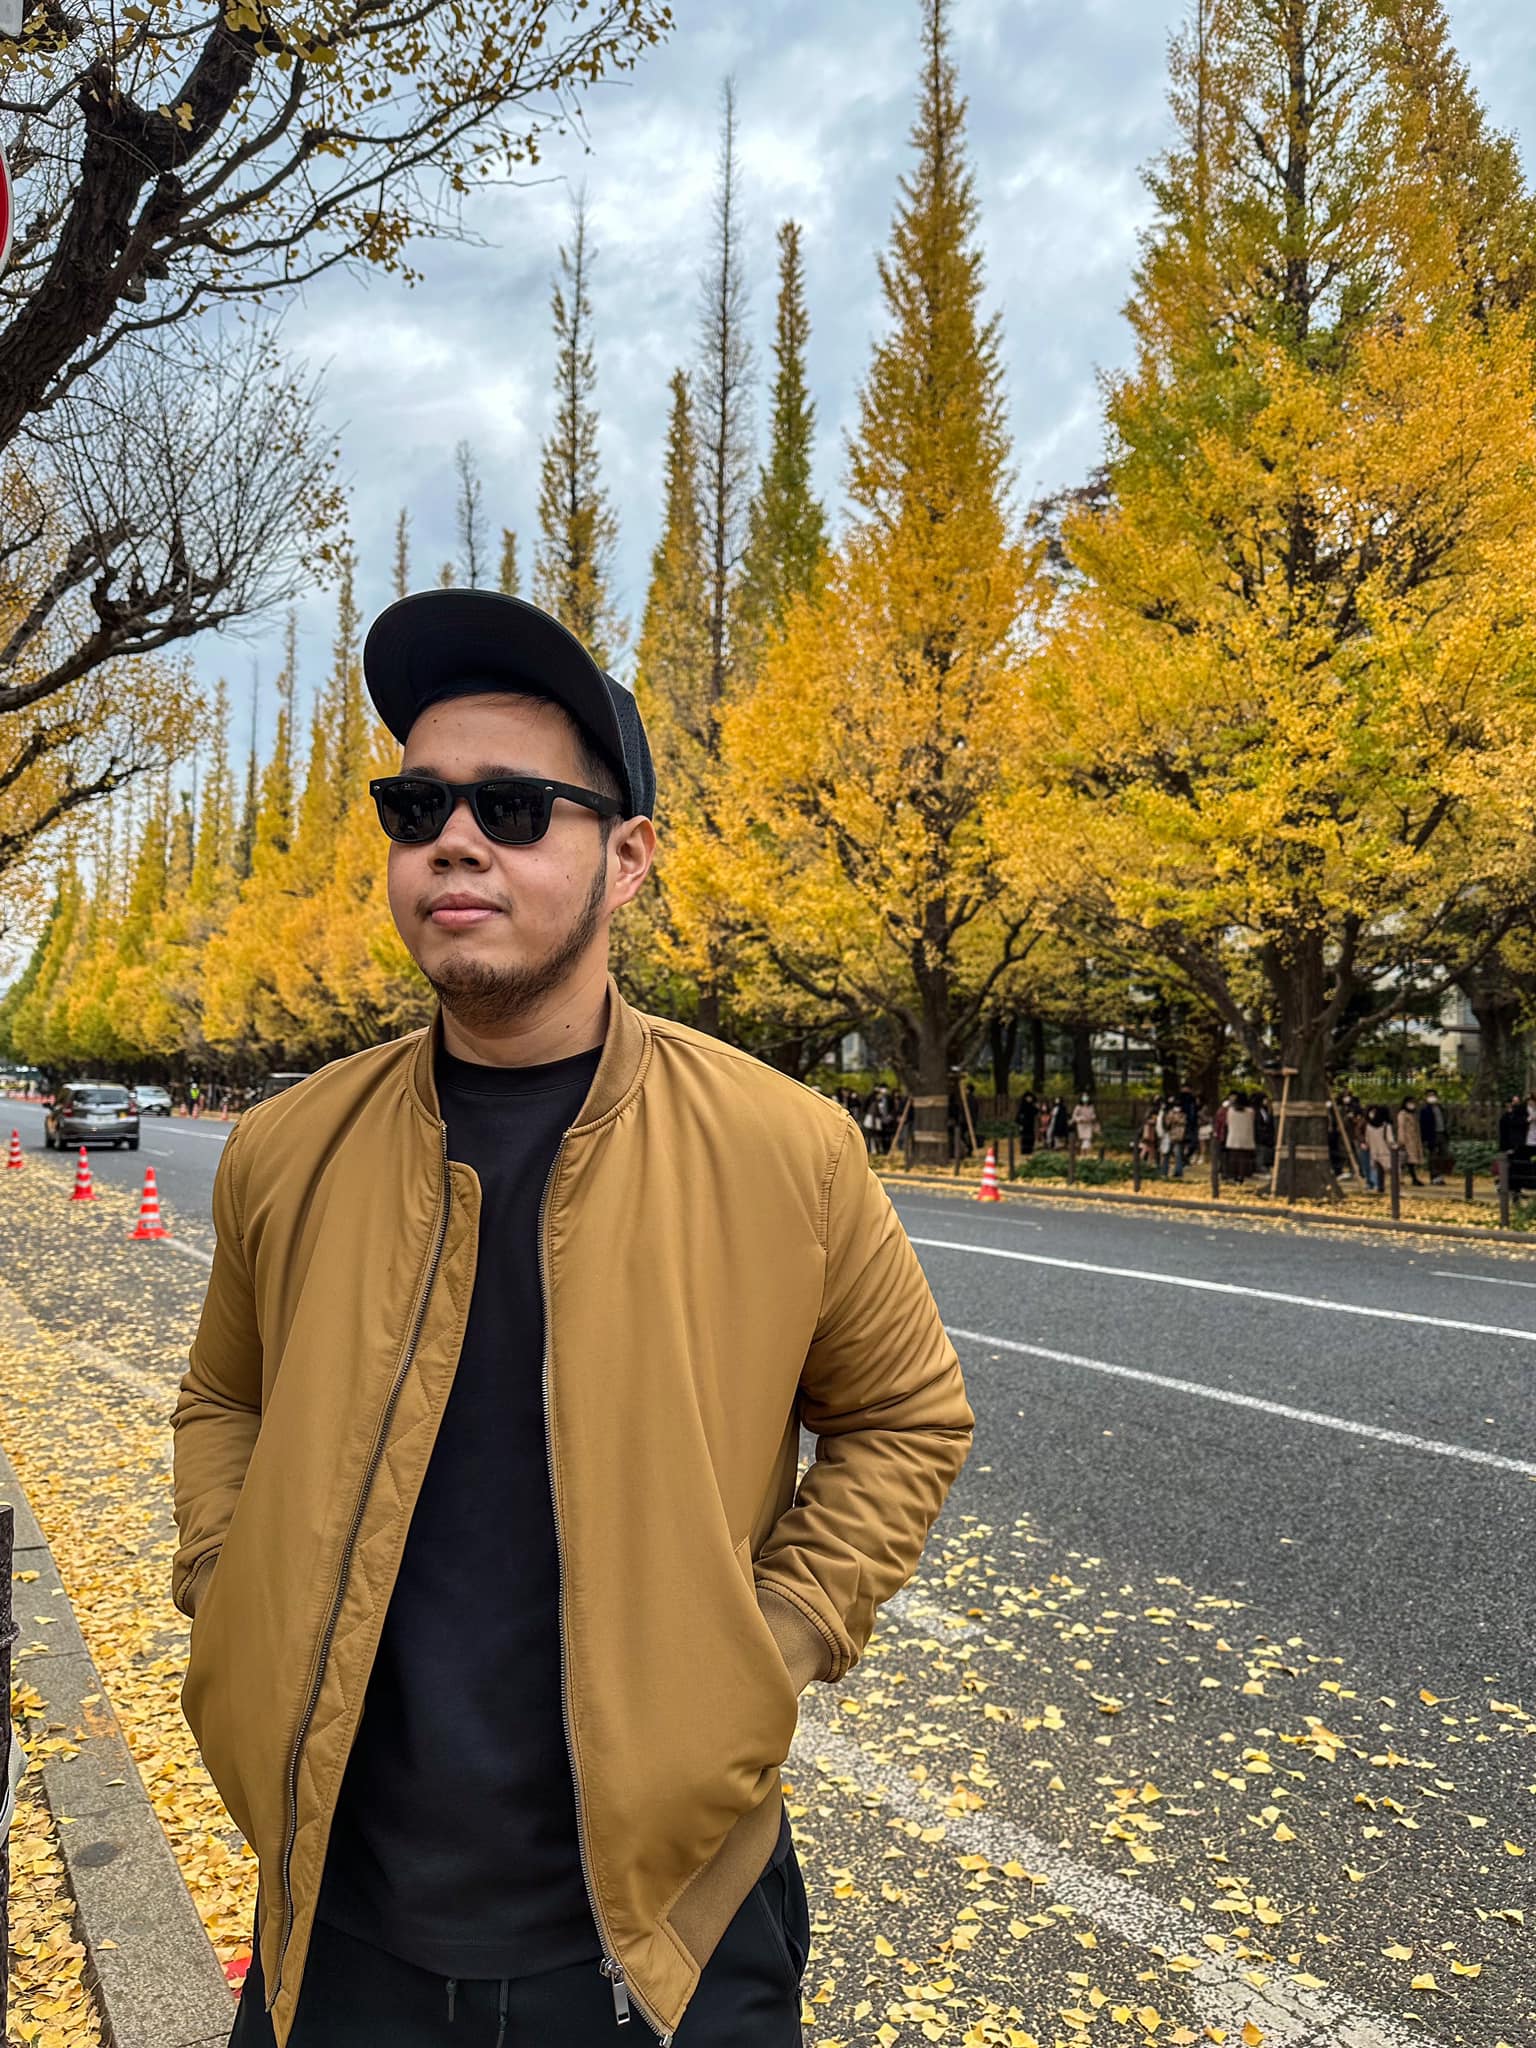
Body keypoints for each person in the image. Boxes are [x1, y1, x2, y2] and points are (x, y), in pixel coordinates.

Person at [170, 589, 975, 2048]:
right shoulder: (287, 1148)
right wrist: (226, 1576)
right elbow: (225, 1398)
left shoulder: (785, 1149)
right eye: (415, 805)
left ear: (629, 857)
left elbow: (905, 1415)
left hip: (674, 1932)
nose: (453, 841)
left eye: (513, 807)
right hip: (334, 1924)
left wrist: (778, 1633)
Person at [1225, 1090, 1256, 1184]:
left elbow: (1227, 1122)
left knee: (1234, 1158)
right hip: (1246, 1137)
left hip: (1233, 1136)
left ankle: (1234, 1175)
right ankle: (1241, 1176)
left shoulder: (1230, 1111)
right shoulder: (1250, 1111)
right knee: (1244, 1158)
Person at [1419, 1089, 1450, 1184]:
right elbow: (1423, 1125)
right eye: (1429, 1095)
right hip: (1432, 1135)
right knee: (1433, 1156)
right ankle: (1434, 1177)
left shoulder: (1441, 1108)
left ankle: (1441, 1176)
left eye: (1433, 1095)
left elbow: (1446, 1120)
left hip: (1442, 1134)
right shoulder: (1425, 1110)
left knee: (1444, 1155)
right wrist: (1424, 1139)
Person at [1364, 1103, 1395, 1193]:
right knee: (1393, 1171)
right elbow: (1390, 1140)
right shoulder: (1386, 1126)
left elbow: (1367, 1140)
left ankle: (1380, 1187)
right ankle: (1395, 1189)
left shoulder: (1369, 1126)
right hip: (1385, 1152)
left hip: (1374, 1152)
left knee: (1379, 1172)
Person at [1397, 1095, 1425, 1187]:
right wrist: (1401, 1140)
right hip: (1407, 1140)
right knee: (1405, 1161)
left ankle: (1413, 1178)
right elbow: (1401, 1128)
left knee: (1410, 1161)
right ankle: (1404, 1178)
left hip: (1414, 1140)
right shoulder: (1402, 1114)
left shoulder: (1413, 1114)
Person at [1015, 1090, 1037, 1157]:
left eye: (1030, 1098)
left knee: (1031, 1137)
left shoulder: (1032, 1106)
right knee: (1024, 1138)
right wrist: (1020, 1124)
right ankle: (1024, 1151)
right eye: (1028, 1098)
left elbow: (1036, 1112)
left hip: (1031, 1125)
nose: (1029, 1099)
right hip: (1024, 1124)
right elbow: (1018, 1116)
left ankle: (1030, 1150)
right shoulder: (1023, 1106)